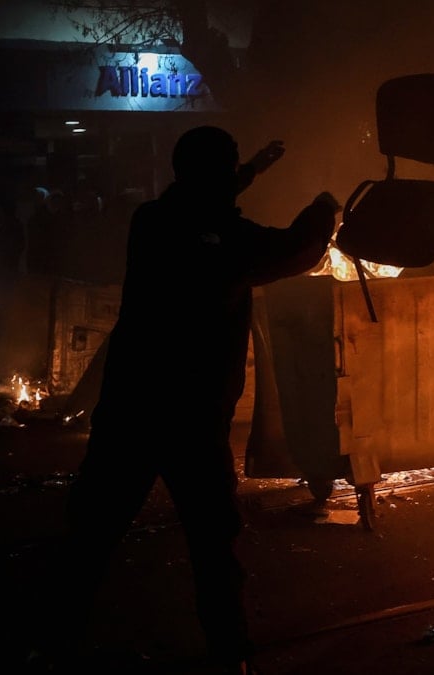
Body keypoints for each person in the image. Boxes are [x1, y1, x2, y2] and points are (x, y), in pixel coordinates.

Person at [29, 126, 338, 674]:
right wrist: (323, 209)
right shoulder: (229, 241)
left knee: (91, 535)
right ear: (219, 176)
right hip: (192, 419)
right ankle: (229, 654)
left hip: (129, 410)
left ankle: (53, 641)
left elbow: (204, 200)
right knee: (213, 545)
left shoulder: (150, 221)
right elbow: (299, 250)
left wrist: (251, 171)